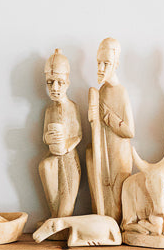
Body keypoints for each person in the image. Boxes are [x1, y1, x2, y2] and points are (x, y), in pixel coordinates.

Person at [87, 37, 134, 223]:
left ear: (115, 64)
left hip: (119, 156)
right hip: (103, 153)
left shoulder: (120, 91)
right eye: (98, 63)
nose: (100, 68)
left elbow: (130, 131)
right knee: (103, 200)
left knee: (116, 205)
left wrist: (107, 116)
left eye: (105, 64)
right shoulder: (100, 91)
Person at [39, 49, 82, 219]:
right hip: (53, 156)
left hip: (69, 158)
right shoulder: (49, 109)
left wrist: (66, 146)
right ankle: (55, 220)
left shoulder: (72, 107)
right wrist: (48, 138)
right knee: (44, 167)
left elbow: (78, 134)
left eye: (59, 82)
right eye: (50, 83)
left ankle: (60, 224)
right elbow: (44, 135)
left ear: (67, 83)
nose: (55, 88)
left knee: (66, 207)